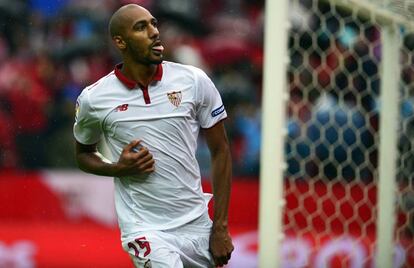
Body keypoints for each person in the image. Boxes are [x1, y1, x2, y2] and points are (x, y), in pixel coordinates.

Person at [73, 3, 234, 268]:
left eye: (153, 24)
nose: (154, 32)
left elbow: (221, 151)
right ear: (120, 41)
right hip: (145, 228)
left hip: (197, 225)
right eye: (141, 27)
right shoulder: (95, 98)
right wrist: (117, 168)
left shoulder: (194, 81)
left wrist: (220, 226)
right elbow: (83, 154)